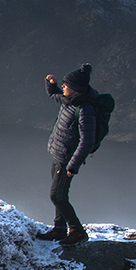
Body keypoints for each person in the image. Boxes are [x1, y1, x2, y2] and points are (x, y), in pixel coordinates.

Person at [37, 63, 98, 246]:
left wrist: (73, 165)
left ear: (75, 89)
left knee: (57, 196)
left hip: (66, 160)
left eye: (66, 85)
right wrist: (50, 84)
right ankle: (59, 229)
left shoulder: (85, 110)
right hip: (58, 154)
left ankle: (77, 231)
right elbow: (54, 94)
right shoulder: (68, 101)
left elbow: (86, 141)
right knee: (60, 193)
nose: (63, 87)